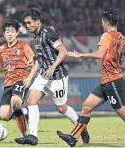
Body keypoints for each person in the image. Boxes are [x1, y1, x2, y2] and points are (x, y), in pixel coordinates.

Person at [14, 7, 89, 146]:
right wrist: (36, 57)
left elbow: (63, 51)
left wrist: (52, 67)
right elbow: (45, 51)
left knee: (61, 108)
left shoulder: (49, 33)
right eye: (26, 23)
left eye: (29, 23)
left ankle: (81, 127)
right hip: (43, 75)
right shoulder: (36, 34)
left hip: (57, 76)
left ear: (37, 21)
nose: (27, 26)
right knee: (31, 100)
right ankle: (33, 136)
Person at [57, 9, 125, 147]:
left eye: (102, 22)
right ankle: (74, 137)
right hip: (106, 82)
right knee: (86, 106)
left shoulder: (106, 36)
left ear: (105, 23)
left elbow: (100, 54)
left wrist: (80, 55)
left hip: (113, 82)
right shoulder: (122, 38)